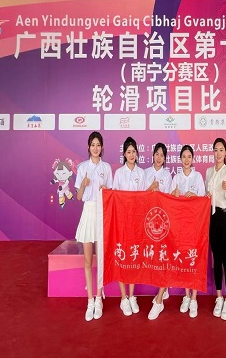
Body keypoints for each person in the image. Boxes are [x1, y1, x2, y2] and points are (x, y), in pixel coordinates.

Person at [75, 131, 113, 322]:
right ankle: (90, 300)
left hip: (102, 214)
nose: (96, 148)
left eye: (98, 145)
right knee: (88, 261)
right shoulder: (82, 167)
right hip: (88, 213)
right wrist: (83, 184)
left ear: (102, 147)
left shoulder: (106, 168)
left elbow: (111, 194)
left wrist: (106, 190)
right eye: (93, 145)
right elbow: (79, 196)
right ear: (88, 147)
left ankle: (99, 298)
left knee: (101, 260)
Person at [170, 145, 205, 319]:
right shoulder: (176, 177)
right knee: (184, 259)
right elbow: (169, 200)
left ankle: (194, 299)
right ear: (180, 159)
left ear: (193, 159)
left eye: (189, 156)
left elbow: (204, 200)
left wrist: (195, 197)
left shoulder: (197, 177)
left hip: (194, 225)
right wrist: (174, 194)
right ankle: (186, 295)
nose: (186, 159)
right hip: (180, 226)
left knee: (194, 258)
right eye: (183, 156)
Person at [113, 136, 146, 316]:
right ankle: (123, 298)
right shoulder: (119, 173)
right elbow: (114, 197)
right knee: (122, 256)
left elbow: (145, 198)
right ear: (124, 154)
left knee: (133, 257)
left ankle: (132, 296)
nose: (131, 155)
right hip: (122, 222)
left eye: (133, 151)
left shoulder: (142, 173)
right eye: (128, 152)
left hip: (137, 222)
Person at [205, 137, 226, 321]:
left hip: (225, 217)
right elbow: (206, 196)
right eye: (215, 150)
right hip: (212, 217)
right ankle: (219, 297)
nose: (218, 153)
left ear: (225, 152)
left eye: (221, 150)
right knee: (216, 259)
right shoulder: (209, 172)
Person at [145, 143, 173, 320]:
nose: (159, 158)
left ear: (165, 158)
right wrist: (151, 188)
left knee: (163, 256)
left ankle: (159, 299)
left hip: (162, 221)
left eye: (162, 155)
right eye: (157, 154)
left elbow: (169, 199)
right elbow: (140, 197)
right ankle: (165, 288)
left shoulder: (167, 176)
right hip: (147, 221)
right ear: (153, 155)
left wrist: (160, 192)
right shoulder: (145, 173)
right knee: (153, 255)